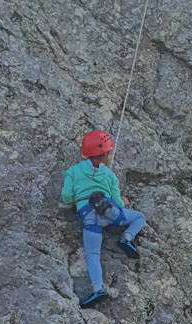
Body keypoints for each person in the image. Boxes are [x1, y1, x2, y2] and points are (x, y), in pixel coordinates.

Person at [61, 130, 147, 307]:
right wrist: (123, 201)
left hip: (89, 218)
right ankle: (126, 237)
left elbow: (66, 197)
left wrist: (77, 198)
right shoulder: (109, 175)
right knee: (139, 217)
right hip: (112, 213)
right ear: (107, 154)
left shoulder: (73, 171)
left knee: (93, 255)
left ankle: (98, 288)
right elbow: (118, 201)